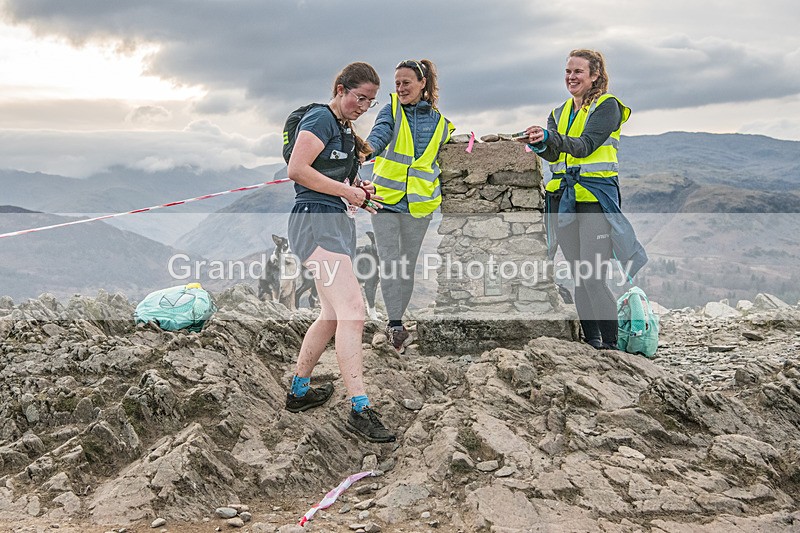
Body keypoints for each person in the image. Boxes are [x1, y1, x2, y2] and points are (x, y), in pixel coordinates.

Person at [284, 61, 396, 443]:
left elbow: (330, 178)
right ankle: (359, 408)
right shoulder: (320, 120)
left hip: (332, 222)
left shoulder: (343, 130)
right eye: (359, 97)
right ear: (340, 88)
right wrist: (348, 192)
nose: (363, 106)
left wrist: (357, 191)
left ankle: (299, 392)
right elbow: (297, 170)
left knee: (332, 315)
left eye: (370, 101)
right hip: (316, 222)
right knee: (354, 313)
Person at [520, 49, 647, 350]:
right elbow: (554, 153)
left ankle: (612, 345)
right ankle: (592, 342)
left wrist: (551, 139)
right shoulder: (559, 112)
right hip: (565, 200)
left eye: (578, 72)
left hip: (594, 200)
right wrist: (539, 144)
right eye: (568, 72)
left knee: (592, 275)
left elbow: (585, 145)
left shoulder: (608, 106)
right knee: (579, 274)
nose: (571, 77)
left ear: (595, 76)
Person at [366, 59, 454, 352]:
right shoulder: (390, 109)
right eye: (397, 83)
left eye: (406, 83)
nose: (401, 88)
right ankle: (394, 325)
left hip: (419, 205)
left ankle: (398, 320)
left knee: (407, 266)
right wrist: (365, 150)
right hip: (385, 201)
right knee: (390, 263)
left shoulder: (441, 123)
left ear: (422, 83)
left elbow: (446, 154)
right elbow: (379, 136)